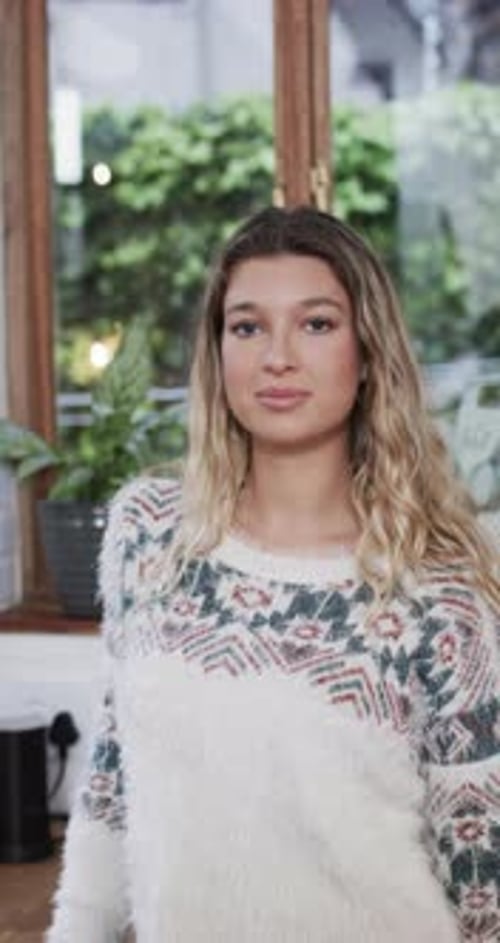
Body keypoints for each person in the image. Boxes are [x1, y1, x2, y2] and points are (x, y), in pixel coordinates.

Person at [47, 206, 500, 943]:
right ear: (217, 351)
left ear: (368, 351)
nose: (276, 357)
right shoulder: (149, 535)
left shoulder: (437, 595)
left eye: (316, 324)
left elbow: (483, 882)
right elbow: (112, 786)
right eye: (247, 326)